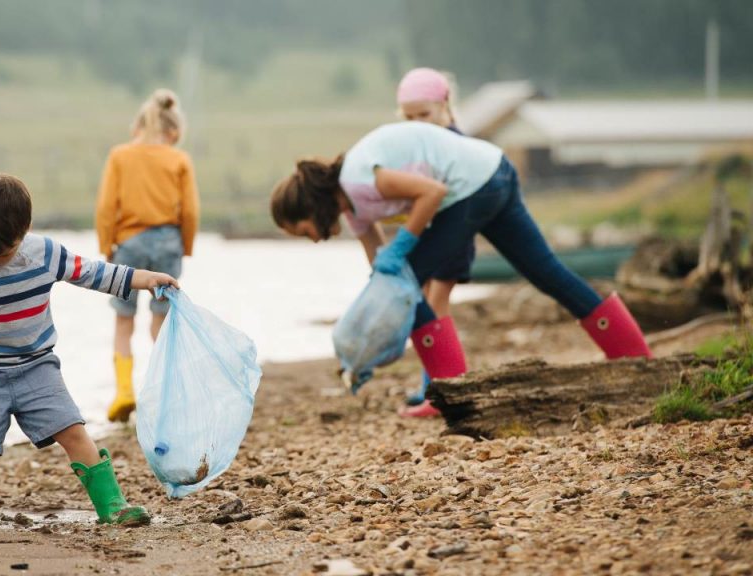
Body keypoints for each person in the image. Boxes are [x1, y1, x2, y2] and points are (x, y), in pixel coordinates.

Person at [270, 121, 651, 417]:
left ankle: (448, 387)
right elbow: (386, 289)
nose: (311, 239)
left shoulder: (359, 178)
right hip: (495, 170)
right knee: (543, 270)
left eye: (301, 230)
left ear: (308, 206)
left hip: (472, 187)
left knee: (410, 285)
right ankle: (634, 357)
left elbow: (431, 194)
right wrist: (369, 351)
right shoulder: (354, 211)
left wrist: (402, 245)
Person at [0, 173, 178, 528]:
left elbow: (94, 273)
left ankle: (113, 506)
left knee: (73, 431)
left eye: (3, 253)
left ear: (23, 233)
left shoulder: (44, 253)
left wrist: (145, 278)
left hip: (37, 369)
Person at [95, 88, 199, 423]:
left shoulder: (120, 156)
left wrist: (106, 245)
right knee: (161, 322)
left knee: (124, 321)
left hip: (129, 243)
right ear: (173, 131)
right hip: (168, 239)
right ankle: (167, 394)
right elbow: (191, 210)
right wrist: (185, 245)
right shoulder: (179, 159)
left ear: (138, 126)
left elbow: (106, 207)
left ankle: (124, 392)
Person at [394, 67, 473, 416]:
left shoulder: (455, 143)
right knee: (426, 303)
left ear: (445, 105)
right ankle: (432, 382)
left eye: (425, 115)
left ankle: (441, 388)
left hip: (454, 235)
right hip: (431, 237)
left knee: (435, 305)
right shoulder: (419, 145)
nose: (418, 123)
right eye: (410, 118)